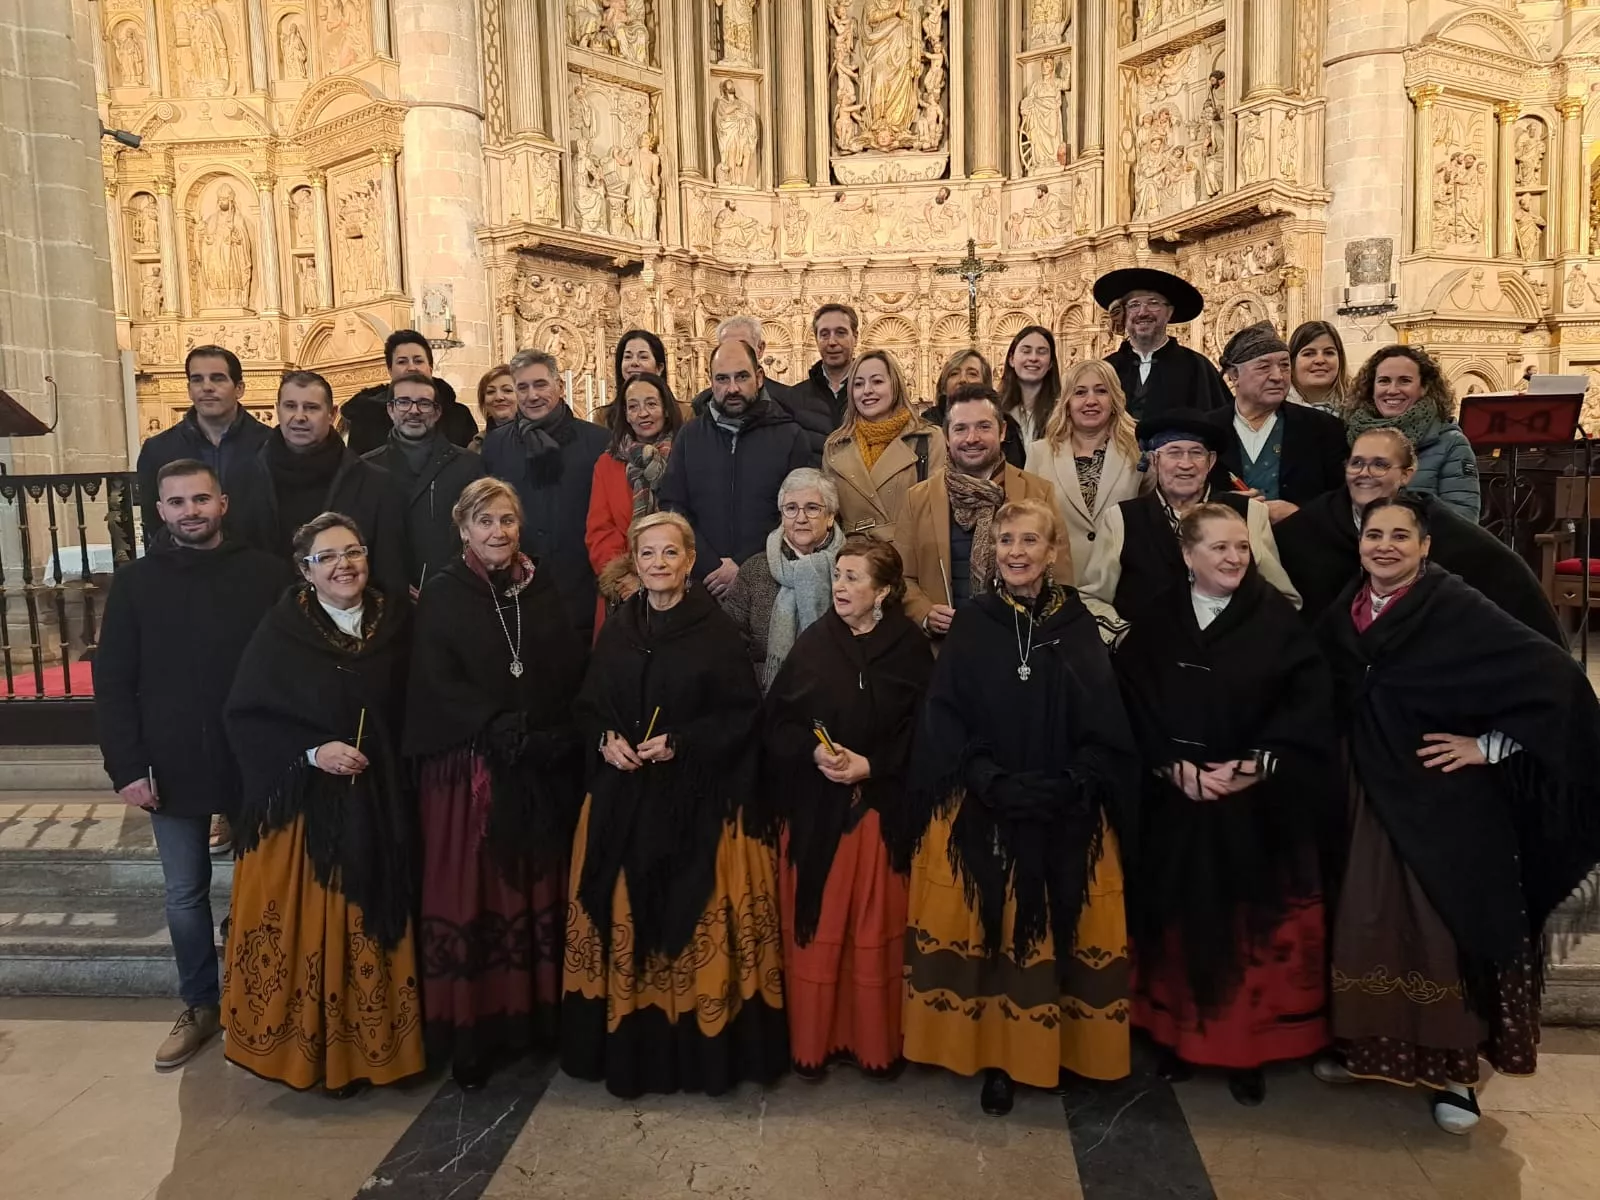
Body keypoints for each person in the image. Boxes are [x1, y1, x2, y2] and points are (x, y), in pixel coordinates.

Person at [1315, 495, 1600, 1134]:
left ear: (1425, 547)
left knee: (1444, 931)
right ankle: (1370, 1051)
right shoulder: (1350, 606)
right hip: (1369, 794)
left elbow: (1554, 679)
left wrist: (1488, 746)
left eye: (1399, 536)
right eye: (1373, 535)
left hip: (1441, 803)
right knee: (1369, 923)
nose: (1383, 546)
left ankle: (1458, 1078)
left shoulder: (1455, 607)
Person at [897, 498, 1140, 1114]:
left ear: (1054, 551)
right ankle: (1000, 1058)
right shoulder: (976, 622)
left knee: (1061, 927)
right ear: (992, 552)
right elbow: (946, 714)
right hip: (988, 804)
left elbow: (1104, 717)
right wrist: (988, 779)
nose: (1017, 553)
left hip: (1067, 804)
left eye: (1030, 541)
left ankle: (1062, 1050)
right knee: (993, 933)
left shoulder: (1079, 623)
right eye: (1005, 541)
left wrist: (1074, 779)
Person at [1114, 504, 1336, 1106]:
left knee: (1245, 931)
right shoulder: (1156, 620)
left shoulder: (1279, 622)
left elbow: (1308, 710)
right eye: (1219, 548)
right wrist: (1171, 765)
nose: (1235, 557)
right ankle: (1171, 1039)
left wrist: (1249, 769)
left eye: (1241, 547)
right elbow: (1129, 703)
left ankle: (1247, 1053)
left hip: (1255, 809)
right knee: (1176, 920)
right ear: (1188, 556)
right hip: (1174, 800)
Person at [562, 512, 788, 1097]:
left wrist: (683, 744)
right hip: (623, 797)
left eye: (669, 554)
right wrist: (604, 740)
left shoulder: (714, 632)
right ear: (633, 562)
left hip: (695, 801)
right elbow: (589, 704)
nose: (658, 564)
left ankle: (693, 1055)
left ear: (690, 562)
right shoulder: (619, 626)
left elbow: (741, 717)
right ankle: (629, 1047)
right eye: (647, 554)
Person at [94, 460, 291, 1071]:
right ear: (161, 511)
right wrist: (126, 765)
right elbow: (114, 681)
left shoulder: (265, 574)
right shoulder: (135, 584)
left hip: (250, 760)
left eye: (200, 499)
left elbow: (290, 668)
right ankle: (201, 1003)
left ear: (223, 503)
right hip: (169, 761)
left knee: (264, 885)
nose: (190, 511)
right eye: (177, 502)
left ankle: (264, 997)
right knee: (184, 894)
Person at [222, 512, 424, 1093]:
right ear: (305, 571)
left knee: (373, 925)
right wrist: (313, 752)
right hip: (307, 815)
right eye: (327, 557)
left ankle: (379, 1051)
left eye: (353, 552)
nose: (344, 566)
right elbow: (247, 717)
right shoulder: (282, 630)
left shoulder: (400, 620)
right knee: (314, 931)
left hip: (384, 800)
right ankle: (313, 1056)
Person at [405, 478, 588, 1089]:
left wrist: (547, 730)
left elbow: (563, 664)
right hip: (470, 770)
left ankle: (533, 1022)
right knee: (473, 893)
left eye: (507, 520)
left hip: (535, 762)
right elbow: (435, 679)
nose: (498, 532)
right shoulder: (445, 591)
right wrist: (495, 726)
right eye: (484, 521)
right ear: (463, 529)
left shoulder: (540, 586)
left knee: (534, 889)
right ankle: (472, 1031)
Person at [763, 539, 934, 1079]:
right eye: (838, 575)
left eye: (854, 577)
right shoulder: (815, 644)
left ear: (883, 591)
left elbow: (926, 734)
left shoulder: (908, 649)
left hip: (879, 815)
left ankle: (873, 1046)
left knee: (870, 936)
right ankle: (815, 1044)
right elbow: (776, 725)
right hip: (817, 815)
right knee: (821, 932)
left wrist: (873, 766)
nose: (840, 586)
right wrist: (813, 751)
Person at [1274, 428, 1563, 641]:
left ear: (1407, 474)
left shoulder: (1441, 527)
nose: (1365, 473)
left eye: (1380, 464)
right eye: (1357, 463)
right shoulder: (1311, 525)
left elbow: (1506, 577)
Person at [1079, 411, 1298, 622]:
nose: (1186, 464)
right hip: (1148, 655)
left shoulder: (1249, 513)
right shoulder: (1121, 519)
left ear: (1210, 462)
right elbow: (1092, 599)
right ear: (1154, 461)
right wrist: (1126, 638)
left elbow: (1284, 599)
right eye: (1174, 452)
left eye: (1196, 453)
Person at [225, 370, 409, 598]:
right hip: (261, 618)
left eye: (311, 408)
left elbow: (389, 574)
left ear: (332, 414)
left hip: (348, 619)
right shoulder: (241, 480)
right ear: (278, 410)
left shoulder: (376, 484)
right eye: (290, 406)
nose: (300, 416)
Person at [896, 386, 1059, 638]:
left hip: (1019, 646)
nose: (972, 438)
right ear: (947, 436)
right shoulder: (917, 499)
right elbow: (902, 577)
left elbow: (1059, 576)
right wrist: (925, 613)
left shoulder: (1038, 493)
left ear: (1002, 431)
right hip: (946, 650)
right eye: (961, 428)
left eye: (984, 427)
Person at [660, 338, 815, 597]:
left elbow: (797, 512)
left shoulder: (790, 436)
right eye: (722, 379)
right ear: (711, 381)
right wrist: (709, 563)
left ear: (760, 377)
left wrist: (744, 565)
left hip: (771, 581)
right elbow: (673, 506)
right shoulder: (690, 436)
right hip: (703, 581)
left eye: (742, 377)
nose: (732, 388)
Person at [480, 349, 610, 642]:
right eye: (522, 387)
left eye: (540, 384)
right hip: (517, 590)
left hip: (581, 588)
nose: (532, 395)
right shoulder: (496, 445)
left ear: (559, 386)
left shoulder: (598, 441)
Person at [1025, 359, 1150, 585]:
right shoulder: (1039, 453)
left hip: (1123, 581)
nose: (1090, 401)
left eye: (1101, 391)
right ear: (1067, 403)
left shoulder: (1139, 452)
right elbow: (1029, 523)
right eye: (1080, 392)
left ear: (1114, 400)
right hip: (1059, 584)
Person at [1207, 322, 1348, 520]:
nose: (1277, 376)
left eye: (1284, 366)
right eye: (1264, 367)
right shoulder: (1206, 430)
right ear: (1234, 375)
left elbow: (1343, 498)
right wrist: (1223, 505)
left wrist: (1301, 515)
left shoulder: (1324, 428)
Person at [361, 371, 486, 594]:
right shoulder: (366, 468)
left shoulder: (469, 465)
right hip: (388, 596)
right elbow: (361, 536)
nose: (414, 411)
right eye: (404, 402)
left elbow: (480, 530)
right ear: (391, 409)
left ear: (437, 412)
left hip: (455, 590)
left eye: (424, 403)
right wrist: (391, 582)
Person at [722, 468, 847, 691]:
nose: (800, 518)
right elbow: (729, 641)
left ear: (830, 517)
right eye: (791, 508)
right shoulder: (755, 569)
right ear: (781, 516)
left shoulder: (849, 567)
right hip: (764, 695)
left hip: (835, 690)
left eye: (812, 508)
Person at [137, 345, 272, 548]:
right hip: (183, 567)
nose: (207, 387)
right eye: (197, 379)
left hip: (255, 564)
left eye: (217, 378)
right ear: (189, 390)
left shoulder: (270, 444)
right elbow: (155, 521)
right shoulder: (158, 449)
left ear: (239, 389)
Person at [585, 371, 683, 632]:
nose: (643, 413)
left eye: (651, 404)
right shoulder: (608, 463)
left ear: (665, 409)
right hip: (623, 592)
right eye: (633, 406)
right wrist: (626, 577)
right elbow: (600, 530)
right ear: (625, 415)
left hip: (678, 585)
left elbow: (693, 522)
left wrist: (658, 575)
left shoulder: (684, 455)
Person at [1344, 345, 1480, 522]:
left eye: (1404, 381)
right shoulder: (1353, 433)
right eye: (1384, 381)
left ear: (1423, 388)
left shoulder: (1450, 443)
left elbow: (1463, 519)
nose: (1392, 390)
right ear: (1372, 387)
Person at [822, 348, 944, 543]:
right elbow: (828, 516)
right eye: (858, 384)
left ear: (895, 385)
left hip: (907, 560)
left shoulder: (928, 439)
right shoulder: (836, 446)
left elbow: (936, 512)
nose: (867, 390)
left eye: (877, 381)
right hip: (853, 561)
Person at [1097, 267, 1230, 419]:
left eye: (1153, 303)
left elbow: (1220, 424)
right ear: (1123, 313)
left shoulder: (1197, 367)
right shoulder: (1106, 369)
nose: (1143, 312)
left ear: (1169, 312)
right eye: (1134, 305)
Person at [690, 315, 836, 454]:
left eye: (743, 345)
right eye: (727, 346)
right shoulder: (701, 404)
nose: (735, 352)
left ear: (760, 349)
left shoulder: (792, 401)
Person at [342, 329, 479, 454]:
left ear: (430, 368)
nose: (411, 367)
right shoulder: (366, 417)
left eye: (418, 361)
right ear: (390, 370)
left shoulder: (458, 416)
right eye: (402, 362)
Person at [923, 348, 1025, 468]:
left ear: (985, 383)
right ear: (943, 385)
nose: (963, 380)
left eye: (972, 374)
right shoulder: (926, 426)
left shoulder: (1007, 427)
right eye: (954, 374)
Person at [590, 328, 672, 429]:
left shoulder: (684, 413)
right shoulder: (604, 417)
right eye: (628, 357)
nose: (634, 363)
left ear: (659, 368)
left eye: (643, 357)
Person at [800, 303, 861, 428]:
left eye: (840, 333)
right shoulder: (795, 398)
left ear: (855, 337)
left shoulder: (873, 394)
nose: (832, 342)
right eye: (824, 334)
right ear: (816, 340)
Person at [998, 325, 1062, 443]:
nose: (1033, 358)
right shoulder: (996, 409)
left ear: (1051, 363)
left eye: (1041, 352)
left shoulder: (1063, 411)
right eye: (1026, 351)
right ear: (1011, 359)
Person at [1287, 320, 1349, 413]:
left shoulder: (1361, 409)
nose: (1320, 360)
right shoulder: (1272, 411)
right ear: (1291, 361)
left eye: (1329, 353)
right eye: (1308, 354)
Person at [470, 364, 518, 451]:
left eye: (507, 390)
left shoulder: (538, 441)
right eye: (491, 392)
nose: (498, 397)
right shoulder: (476, 446)